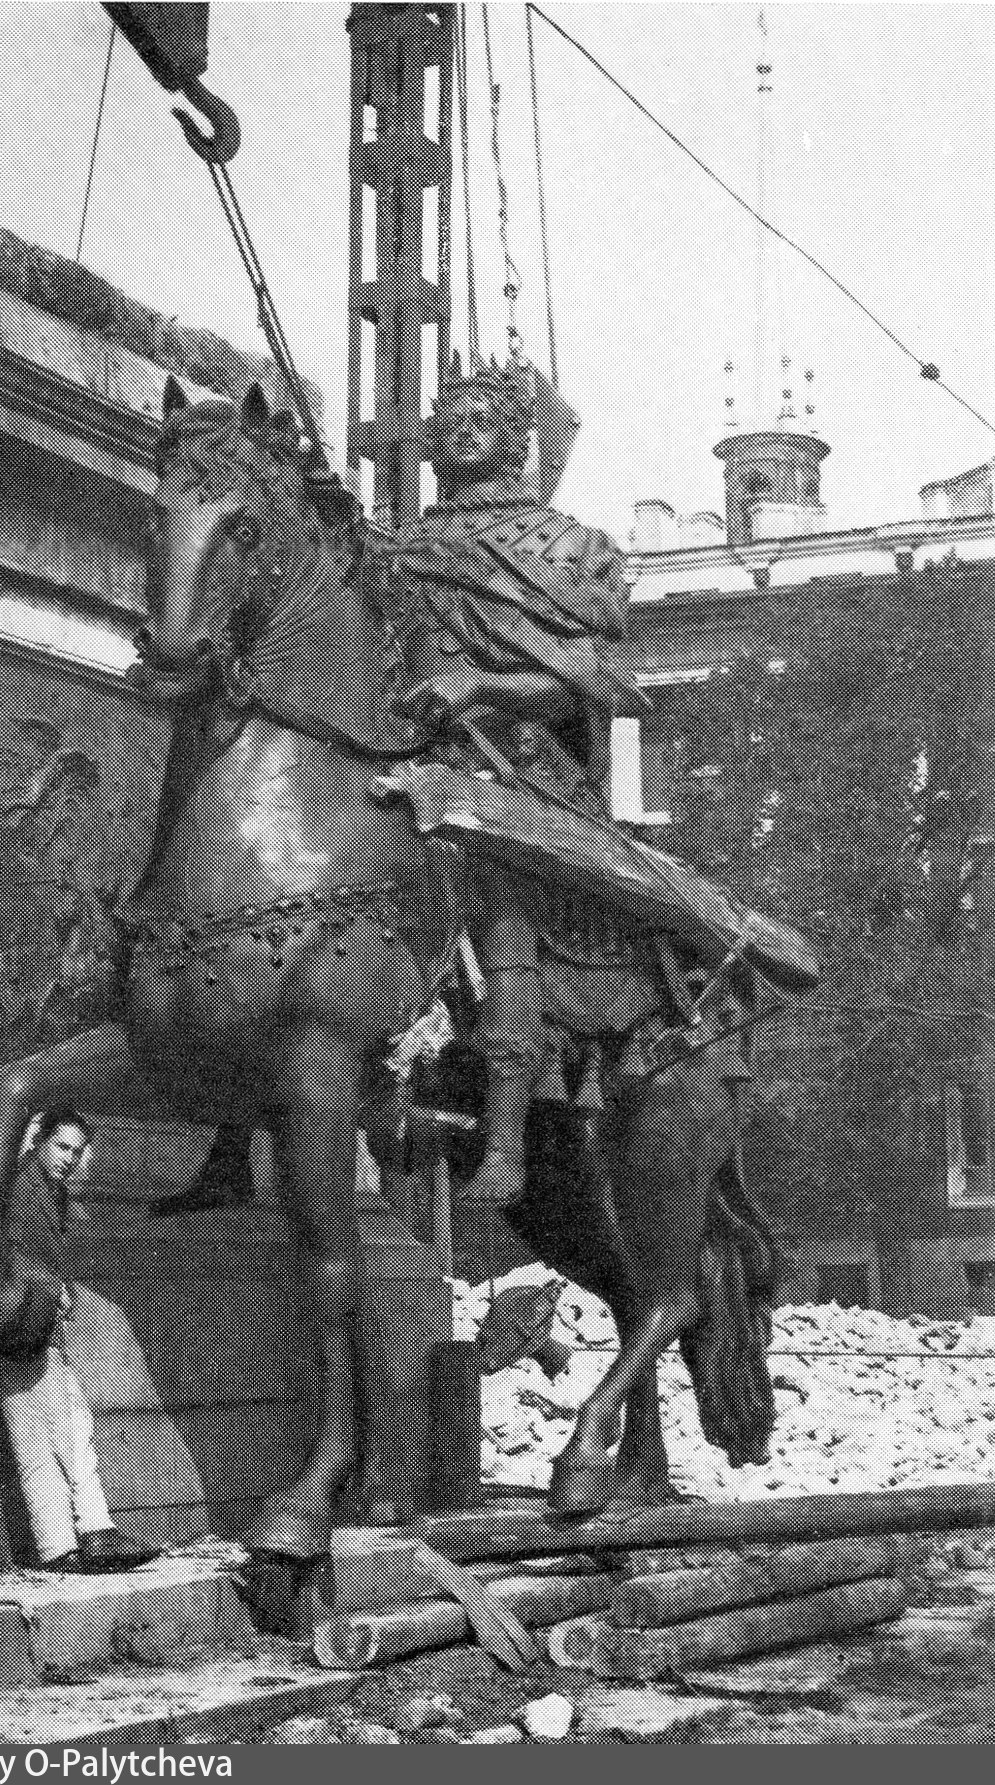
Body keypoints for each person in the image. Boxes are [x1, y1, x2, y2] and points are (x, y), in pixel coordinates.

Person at [380, 358, 650, 1205]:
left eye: (481, 417)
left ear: (515, 437)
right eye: (448, 417)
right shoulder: (393, 547)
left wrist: (483, 684)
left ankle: (505, 1139)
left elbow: (583, 681)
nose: (461, 429)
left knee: (499, 898)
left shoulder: (567, 547)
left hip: (515, 765)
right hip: (399, 748)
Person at [0, 1107, 162, 1573]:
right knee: (67, 1429)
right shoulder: (28, 1190)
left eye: (78, 1150)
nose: (69, 1158)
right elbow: (12, 1251)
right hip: (25, 1317)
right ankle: (92, 1532)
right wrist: (53, 1291)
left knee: (38, 1438)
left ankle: (61, 1543)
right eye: (62, 1146)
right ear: (39, 1141)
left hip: (23, 1319)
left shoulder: (38, 1188)